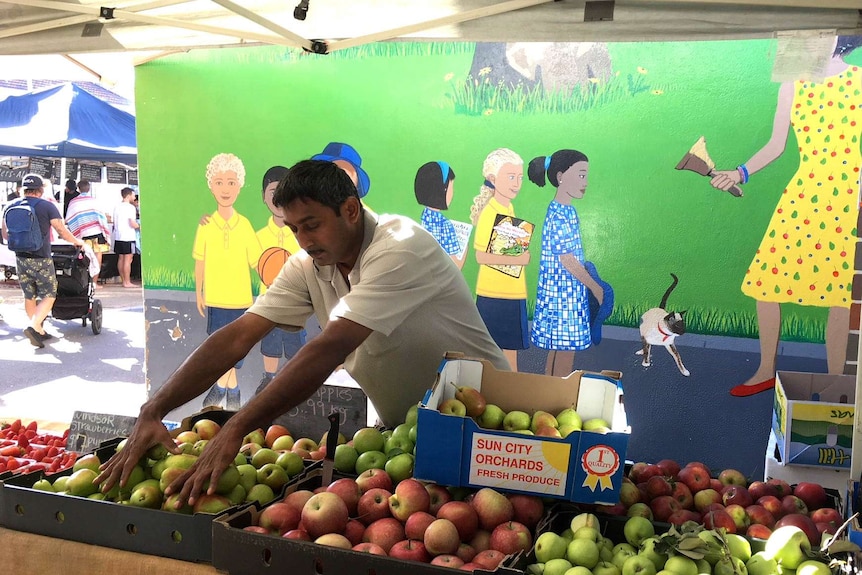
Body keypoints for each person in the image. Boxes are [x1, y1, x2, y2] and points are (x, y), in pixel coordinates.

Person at [96, 159, 508, 505]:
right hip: (410, 433)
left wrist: (238, 425)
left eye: (312, 225)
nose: (304, 240)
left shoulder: (400, 246)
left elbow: (329, 348)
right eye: (294, 228)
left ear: (350, 209)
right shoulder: (309, 265)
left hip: (490, 423)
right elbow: (239, 336)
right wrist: (155, 409)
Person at [709, 35, 862, 397]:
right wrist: (740, 172)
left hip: (848, 197)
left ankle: (836, 381)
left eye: (821, 32)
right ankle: (765, 368)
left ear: (839, 37)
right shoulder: (792, 85)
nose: (810, 39)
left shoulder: (859, 80)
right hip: (805, 191)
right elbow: (776, 145)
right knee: (767, 279)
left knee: (841, 293)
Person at [527, 150, 606, 376]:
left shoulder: (566, 210)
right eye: (581, 175)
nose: (586, 183)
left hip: (567, 293)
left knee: (559, 348)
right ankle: (558, 392)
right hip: (561, 297)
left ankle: (550, 389)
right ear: (561, 176)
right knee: (565, 350)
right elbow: (567, 259)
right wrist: (594, 286)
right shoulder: (559, 213)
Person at [194, 153, 262, 411]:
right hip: (214, 299)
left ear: (240, 185)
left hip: (240, 300)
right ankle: (233, 392)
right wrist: (199, 292)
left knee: (236, 353)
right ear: (211, 185)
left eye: (231, 182)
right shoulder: (206, 225)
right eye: (220, 182)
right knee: (219, 351)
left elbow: (258, 262)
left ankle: (223, 388)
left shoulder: (244, 225)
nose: (225, 189)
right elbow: (200, 260)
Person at [1, 175, 84, 348]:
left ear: (22, 189)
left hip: (20, 257)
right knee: (49, 293)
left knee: (29, 294)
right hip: (41, 257)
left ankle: (38, 330)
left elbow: (5, 234)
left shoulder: (10, 205)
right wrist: (77, 241)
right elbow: (61, 230)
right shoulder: (46, 206)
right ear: (41, 190)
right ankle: (33, 325)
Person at [469, 148, 530, 371]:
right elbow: (481, 255)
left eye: (520, 177)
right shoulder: (490, 211)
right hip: (494, 295)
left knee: (510, 353)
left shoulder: (508, 207)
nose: (517, 183)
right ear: (493, 179)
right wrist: (519, 260)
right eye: (511, 177)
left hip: (513, 291)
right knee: (492, 356)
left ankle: (511, 395)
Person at [254, 166, 307, 395]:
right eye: (273, 192)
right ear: (264, 196)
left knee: (296, 350)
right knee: (271, 348)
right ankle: (269, 379)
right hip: (269, 304)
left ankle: (296, 384)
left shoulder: (302, 242)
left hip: (298, 308)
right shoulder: (258, 236)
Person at [414, 161, 467, 270]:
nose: (453, 192)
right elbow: (455, 267)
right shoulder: (445, 226)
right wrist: (465, 247)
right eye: (451, 186)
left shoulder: (424, 218)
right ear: (443, 189)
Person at [65, 179, 111, 285]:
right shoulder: (94, 201)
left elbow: (69, 219)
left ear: (78, 188)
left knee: (84, 257)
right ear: (89, 188)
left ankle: (85, 283)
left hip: (82, 234)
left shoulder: (74, 202)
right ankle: (94, 282)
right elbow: (101, 216)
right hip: (97, 232)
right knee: (97, 255)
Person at [112, 187, 140, 288]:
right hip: (128, 236)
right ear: (128, 196)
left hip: (118, 236)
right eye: (133, 195)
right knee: (128, 259)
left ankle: (123, 280)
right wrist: (140, 227)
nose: (134, 197)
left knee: (121, 258)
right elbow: (132, 223)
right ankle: (127, 282)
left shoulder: (117, 206)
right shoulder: (130, 208)